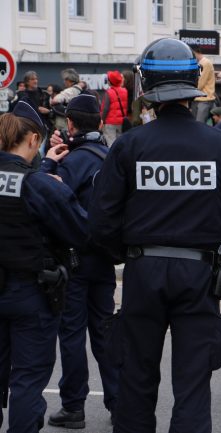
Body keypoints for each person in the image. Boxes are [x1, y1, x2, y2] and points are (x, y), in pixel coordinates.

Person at [88, 37, 221, 432]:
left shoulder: (129, 146)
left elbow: (101, 221)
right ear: (191, 83)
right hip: (200, 276)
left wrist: (126, 253)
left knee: (136, 380)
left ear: (147, 86)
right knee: (193, 385)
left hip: (143, 272)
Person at [0, 100, 88, 432]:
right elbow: (80, 232)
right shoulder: (40, 185)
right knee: (26, 379)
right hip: (31, 293)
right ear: (34, 140)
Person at [38, 93, 118, 429]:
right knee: (104, 334)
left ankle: (73, 407)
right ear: (100, 123)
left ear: (70, 124)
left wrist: (50, 162)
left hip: (74, 260)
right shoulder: (111, 156)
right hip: (105, 260)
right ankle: (119, 403)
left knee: (72, 335)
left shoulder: (71, 162)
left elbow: (52, 206)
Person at [100, 70, 128, 147]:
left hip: (110, 123)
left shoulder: (109, 92)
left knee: (111, 143)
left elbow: (105, 108)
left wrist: (102, 120)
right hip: (122, 122)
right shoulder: (125, 91)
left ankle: (112, 158)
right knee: (120, 143)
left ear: (110, 82)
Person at [191, 45, 217, 124]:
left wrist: (191, 90)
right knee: (197, 124)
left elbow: (200, 83)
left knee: (199, 124)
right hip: (200, 98)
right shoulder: (201, 63)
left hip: (204, 99)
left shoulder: (205, 63)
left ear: (195, 52)